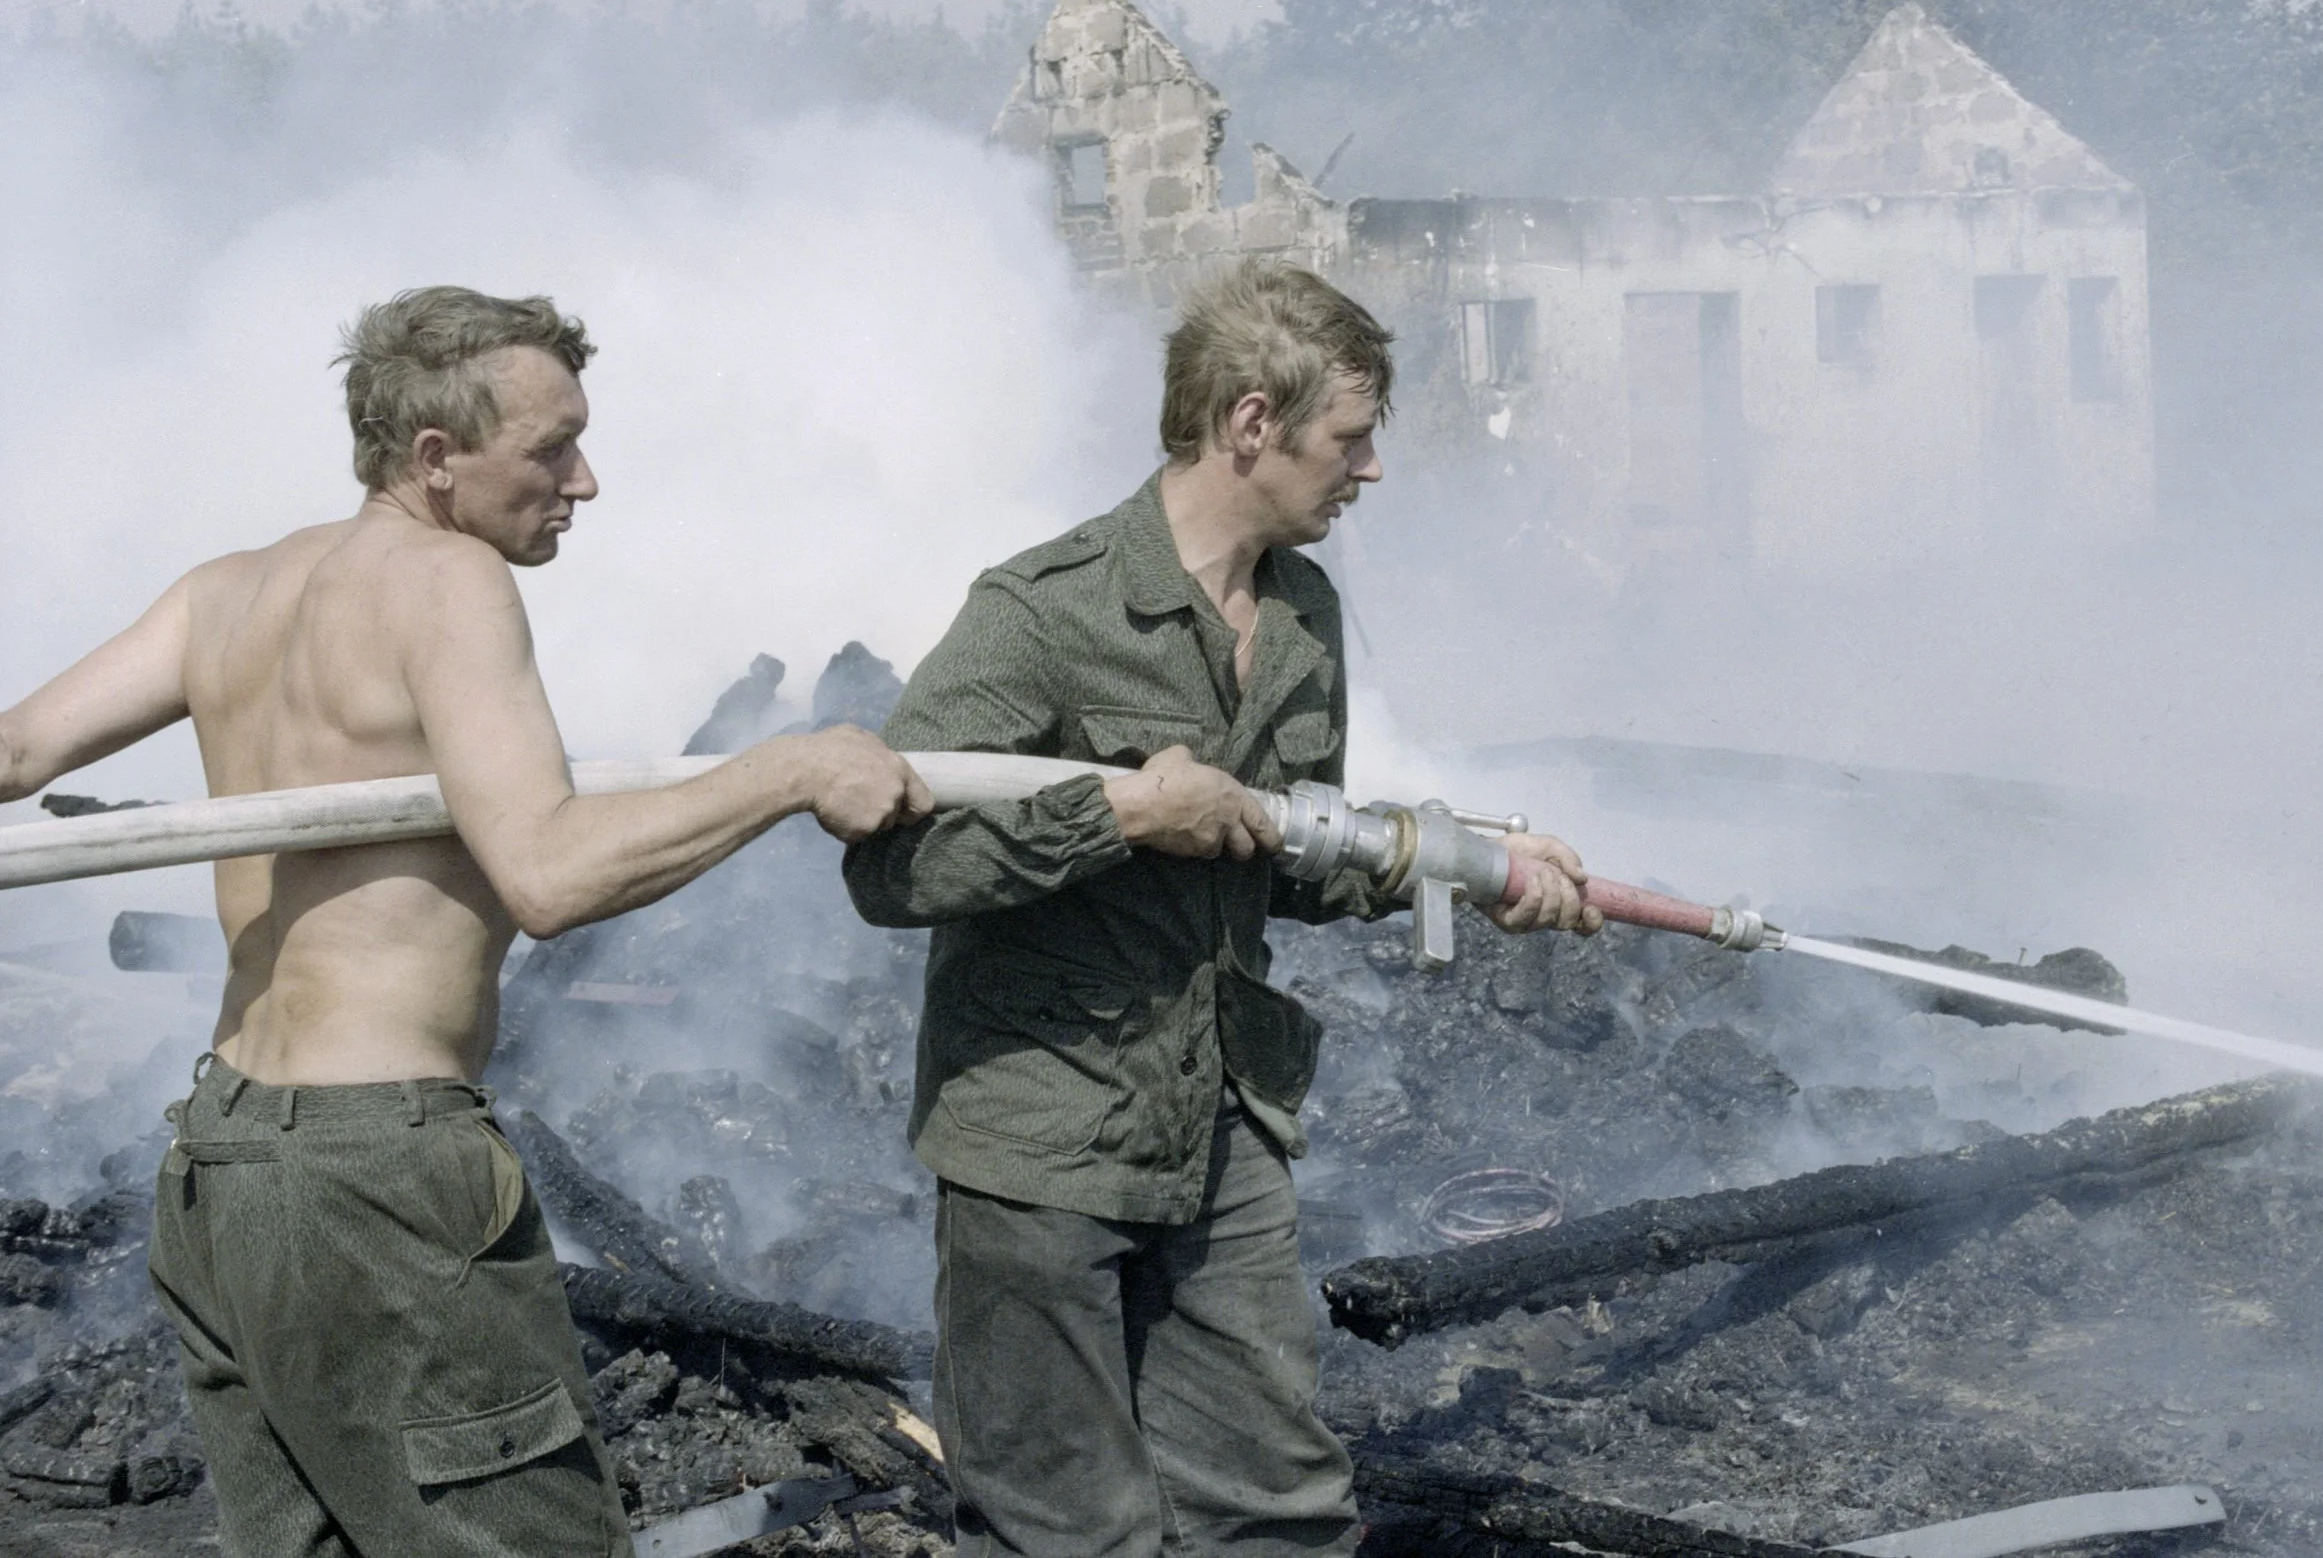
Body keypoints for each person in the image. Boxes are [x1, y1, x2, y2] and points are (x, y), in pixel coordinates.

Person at [0, 286, 931, 1557]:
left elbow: (15, 745)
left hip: (219, 1168)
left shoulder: (226, 592)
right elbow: (547, 872)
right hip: (379, 1178)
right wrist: (790, 768)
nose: (585, 480)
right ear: (436, 460)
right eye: (551, 446)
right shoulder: (448, 581)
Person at [843, 259, 1601, 1558]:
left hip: (1217, 1129)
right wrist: (1126, 812)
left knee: (1279, 1508)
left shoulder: (1301, 615)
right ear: (1252, 422)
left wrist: (1468, 862)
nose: (1368, 472)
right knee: (1062, 1528)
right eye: (1350, 439)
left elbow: (1288, 855)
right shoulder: (1043, 610)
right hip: (1038, 1142)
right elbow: (889, 867)